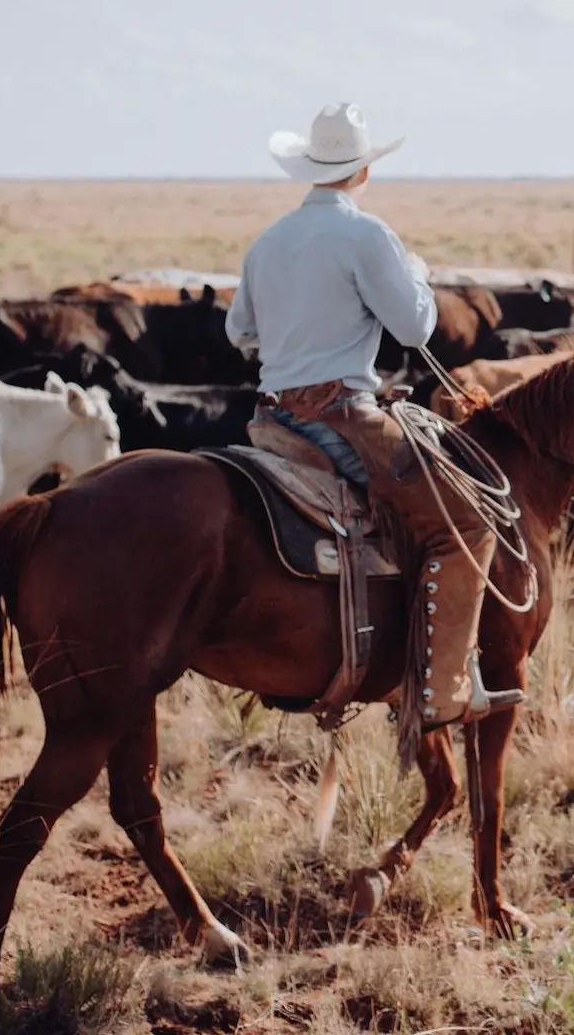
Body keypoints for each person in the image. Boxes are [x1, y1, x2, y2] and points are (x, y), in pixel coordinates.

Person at [225, 100, 521, 730]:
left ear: (308, 167)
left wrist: (292, 342)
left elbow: (239, 332)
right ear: (362, 172)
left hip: (272, 417)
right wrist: (414, 275)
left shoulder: (268, 240)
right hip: (343, 416)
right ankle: (442, 692)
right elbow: (416, 328)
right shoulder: (367, 235)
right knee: (467, 522)